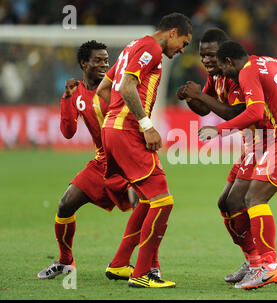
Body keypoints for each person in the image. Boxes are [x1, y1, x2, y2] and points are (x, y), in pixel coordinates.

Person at [199, 41, 277, 290]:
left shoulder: (247, 70)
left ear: (228, 62)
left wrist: (219, 130)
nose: (227, 77)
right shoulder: (274, 62)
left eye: (225, 71)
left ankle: (268, 266)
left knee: (254, 197)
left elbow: (255, 112)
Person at [96, 12, 192, 288]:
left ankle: (119, 265)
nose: (182, 50)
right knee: (163, 201)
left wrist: (116, 119)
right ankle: (143, 273)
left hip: (114, 130)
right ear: (172, 32)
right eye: (183, 43)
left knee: (147, 199)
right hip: (127, 131)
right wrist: (144, 125)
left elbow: (104, 88)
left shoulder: (131, 47)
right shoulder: (151, 47)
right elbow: (126, 86)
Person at [37, 40, 139, 280]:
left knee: (143, 207)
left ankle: (144, 265)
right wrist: (66, 98)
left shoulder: (117, 88)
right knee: (65, 205)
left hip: (126, 161)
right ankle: (65, 261)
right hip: (101, 163)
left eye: (106, 60)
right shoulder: (78, 93)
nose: (105, 64)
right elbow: (68, 132)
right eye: (98, 60)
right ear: (84, 63)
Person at [176, 28, 260, 284]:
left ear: (225, 54)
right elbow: (205, 108)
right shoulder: (216, 77)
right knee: (224, 202)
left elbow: (235, 113)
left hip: (267, 141)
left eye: (212, 55)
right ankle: (250, 261)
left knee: (237, 201)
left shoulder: (239, 75)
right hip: (250, 144)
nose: (207, 61)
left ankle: (260, 263)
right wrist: (191, 97)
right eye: (202, 56)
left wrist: (199, 95)